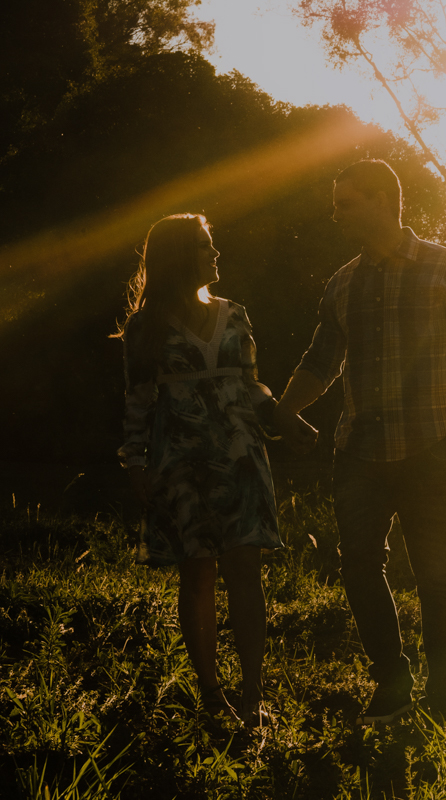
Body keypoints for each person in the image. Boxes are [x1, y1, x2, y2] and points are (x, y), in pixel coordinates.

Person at [273, 159, 446, 725]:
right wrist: (279, 412)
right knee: (357, 568)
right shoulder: (342, 281)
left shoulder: (445, 266)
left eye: (345, 202)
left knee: (435, 571)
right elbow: (320, 361)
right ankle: (392, 682)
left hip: (429, 442)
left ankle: (443, 692)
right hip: (358, 449)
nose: (334, 213)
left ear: (381, 200)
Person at [116, 214, 285, 730]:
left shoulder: (236, 315)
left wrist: (283, 418)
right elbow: (138, 399)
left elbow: (252, 386)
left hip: (240, 457)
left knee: (245, 574)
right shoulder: (145, 328)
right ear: (177, 256)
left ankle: (253, 697)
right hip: (182, 464)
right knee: (198, 576)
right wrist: (135, 461)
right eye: (205, 246)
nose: (215, 254)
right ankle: (213, 699)